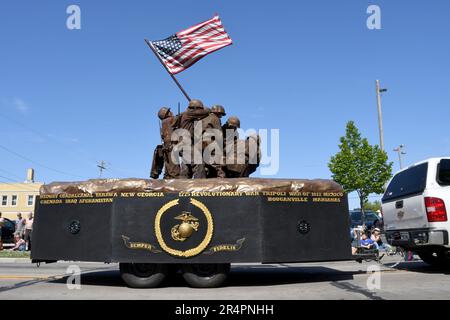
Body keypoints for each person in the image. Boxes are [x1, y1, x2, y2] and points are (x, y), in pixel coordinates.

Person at [179, 99, 211, 179]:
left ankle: (182, 185)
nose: (200, 111)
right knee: (198, 162)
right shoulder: (188, 114)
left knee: (186, 167)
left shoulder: (187, 115)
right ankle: (200, 187)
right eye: (199, 108)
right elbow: (206, 111)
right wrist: (207, 109)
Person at [155, 107, 181, 179]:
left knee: (169, 166)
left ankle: (168, 178)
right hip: (171, 145)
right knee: (174, 168)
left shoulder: (163, 123)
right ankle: (175, 181)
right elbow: (179, 118)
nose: (171, 112)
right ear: (166, 114)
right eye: (169, 111)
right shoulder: (169, 120)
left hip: (166, 146)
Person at [203, 105, 227, 178]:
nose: (221, 117)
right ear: (218, 112)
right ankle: (221, 180)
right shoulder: (215, 118)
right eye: (221, 114)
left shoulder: (204, 118)